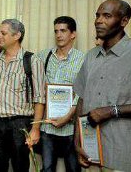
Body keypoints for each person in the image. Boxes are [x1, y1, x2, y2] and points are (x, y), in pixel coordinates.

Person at [73, 0, 131, 171]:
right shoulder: (91, 56)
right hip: (92, 155)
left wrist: (111, 111)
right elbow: (82, 100)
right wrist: (77, 142)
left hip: (125, 156)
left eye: (107, 16)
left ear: (124, 21)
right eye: (97, 15)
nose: (99, 20)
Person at [0, 19, 46, 172]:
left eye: (3, 33)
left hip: (20, 125)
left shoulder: (32, 61)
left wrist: (35, 129)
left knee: (20, 167)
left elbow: (39, 98)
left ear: (17, 35)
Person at [37, 16, 83, 172]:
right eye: (56, 31)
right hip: (47, 127)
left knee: (73, 168)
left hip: (71, 128)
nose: (58, 35)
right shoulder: (43, 56)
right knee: (47, 168)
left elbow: (83, 92)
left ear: (73, 34)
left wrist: (68, 116)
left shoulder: (82, 59)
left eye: (63, 30)